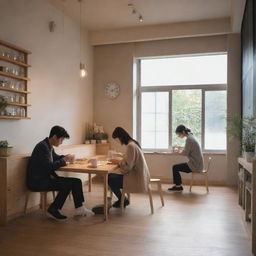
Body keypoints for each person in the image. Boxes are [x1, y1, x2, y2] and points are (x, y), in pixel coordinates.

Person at [27, 125, 94, 220]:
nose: (62, 142)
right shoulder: (42, 147)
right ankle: (53, 209)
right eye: (61, 139)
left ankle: (79, 208)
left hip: (46, 178)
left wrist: (67, 156)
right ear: (54, 137)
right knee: (66, 185)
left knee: (76, 181)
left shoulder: (48, 145)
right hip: (38, 181)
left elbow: (56, 157)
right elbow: (49, 166)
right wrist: (64, 160)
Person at [108, 127, 150, 208]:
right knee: (110, 176)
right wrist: (122, 156)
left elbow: (127, 167)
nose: (116, 141)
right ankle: (122, 199)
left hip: (136, 178)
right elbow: (131, 160)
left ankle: (123, 200)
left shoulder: (130, 146)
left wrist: (118, 162)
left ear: (120, 137)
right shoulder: (133, 143)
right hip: (140, 175)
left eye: (116, 139)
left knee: (109, 179)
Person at [168, 125, 204, 191]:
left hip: (195, 165)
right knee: (176, 167)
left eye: (179, 134)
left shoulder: (189, 139)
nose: (179, 136)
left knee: (175, 167)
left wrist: (177, 151)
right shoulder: (191, 137)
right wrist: (181, 149)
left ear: (183, 132)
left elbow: (185, 153)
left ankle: (178, 186)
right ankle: (178, 185)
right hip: (197, 164)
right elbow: (188, 149)